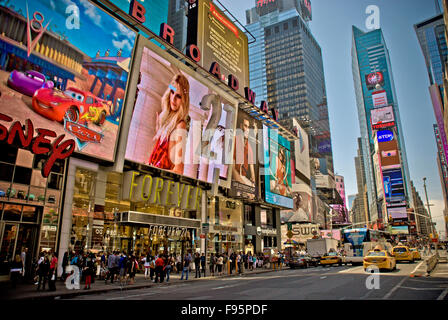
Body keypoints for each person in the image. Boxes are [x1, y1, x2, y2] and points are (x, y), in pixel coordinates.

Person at [149, 73, 190, 175]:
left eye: (179, 96)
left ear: (184, 100)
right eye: (172, 92)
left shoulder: (180, 126)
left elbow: (178, 170)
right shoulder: (166, 122)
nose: (173, 99)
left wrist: (154, 172)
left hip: (161, 184)